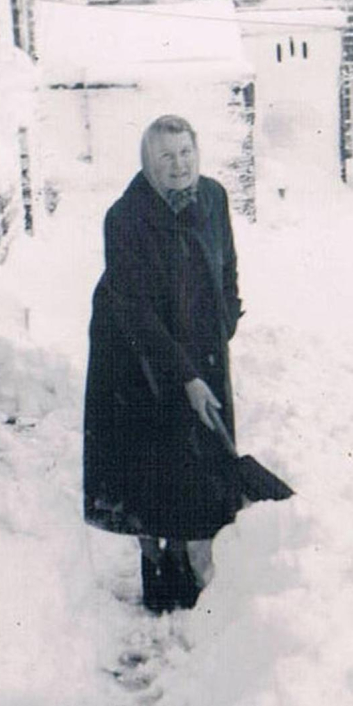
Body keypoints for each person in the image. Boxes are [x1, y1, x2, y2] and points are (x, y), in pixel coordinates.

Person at [83, 115, 245, 614]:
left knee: (191, 453)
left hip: (196, 337)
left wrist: (227, 315)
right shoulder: (126, 216)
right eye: (165, 158)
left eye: (185, 154)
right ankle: (155, 564)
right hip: (134, 351)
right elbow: (136, 308)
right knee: (152, 456)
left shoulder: (213, 197)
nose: (178, 166)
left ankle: (183, 555)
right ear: (148, 164)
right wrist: (187, 376)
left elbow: (227, 264)